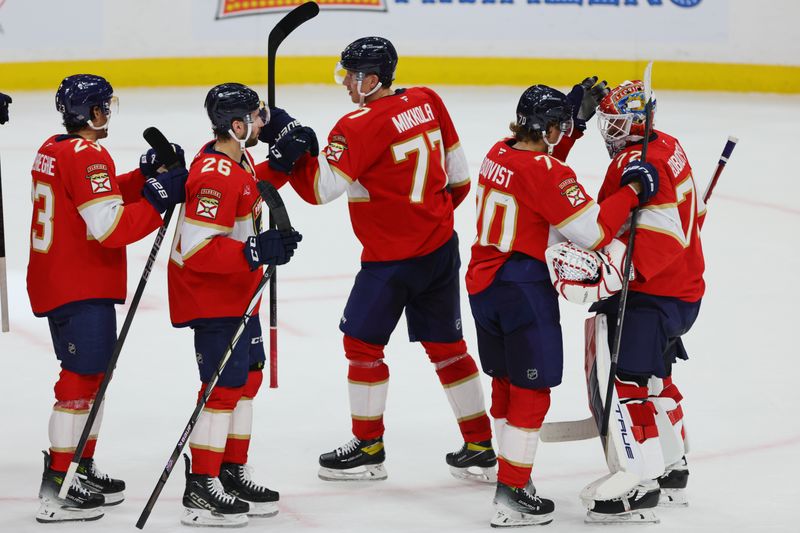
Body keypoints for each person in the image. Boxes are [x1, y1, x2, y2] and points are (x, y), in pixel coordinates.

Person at [266, 36, 496, 483]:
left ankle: (369, 447)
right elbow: (460, 179)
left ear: (372, 80)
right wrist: (427, 220)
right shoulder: (428, 100)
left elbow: (319, 190)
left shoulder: (357, 125)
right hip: (440, 249)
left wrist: (290, 153)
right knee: (448, 349)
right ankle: (480, 445)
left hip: (391, 262)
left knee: (361, 345)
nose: (345, 84)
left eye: (351, 77)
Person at [465, 83, 660, 527]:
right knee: (532, 391)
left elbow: (536, 177)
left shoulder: (499, 152)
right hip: (522, 290)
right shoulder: (548, 173)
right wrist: (631, 190)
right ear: (549, 128)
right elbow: (594, 232)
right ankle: (512, 493)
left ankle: (512, 473)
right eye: (560, 127)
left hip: (483, 283)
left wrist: (569, 131)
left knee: (505, 381)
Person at [27, 74, 187, 523]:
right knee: (80, 382)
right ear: (92, 112)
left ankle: (79, 466)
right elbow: (110, 227)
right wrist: (157, 198)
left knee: (92, 379)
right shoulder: (89, 154)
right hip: (80, 285)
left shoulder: (54, 147)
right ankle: (58, 486)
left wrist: (145, 177)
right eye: (103, 106)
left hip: (59, 279)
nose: (107, 113)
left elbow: (95, 195)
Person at [167, 82, 302, 528]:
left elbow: (249, 191)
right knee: (222, 388)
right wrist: (255, 251)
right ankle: (200, 487)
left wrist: (281, 165)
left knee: (248, 379)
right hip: (212, 296)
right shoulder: (213, 175)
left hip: (239, 290)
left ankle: (229, 470)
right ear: (238, 126)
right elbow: (196, 249)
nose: (263, 121)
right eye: (257, 116)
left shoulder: (236, 160)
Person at [577, 80, 704, 524]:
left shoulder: (635, 162)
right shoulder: (669, 146)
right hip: (685, 288)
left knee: (628, 383)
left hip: (650, 294)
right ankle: (673, 470)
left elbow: (653, 237)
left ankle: (640, 482)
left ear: (636, 122)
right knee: (656, 380)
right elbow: (695, 216)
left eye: (616, 124)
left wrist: (612, 274)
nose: (609, 133)